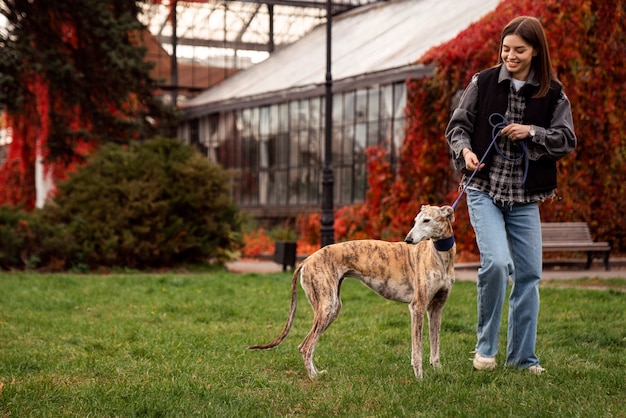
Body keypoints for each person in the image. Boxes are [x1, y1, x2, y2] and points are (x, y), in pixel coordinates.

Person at [445, 16, 577, 374]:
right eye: (506, 49)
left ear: (535, 51)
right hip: (483, 189)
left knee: (530, 274)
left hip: (524, 197)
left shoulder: (553, 93)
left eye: (519, 50)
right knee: (498, 264)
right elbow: (458, 127)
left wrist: (532, 132)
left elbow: (567, 139)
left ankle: (522, 358)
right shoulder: (483, 82)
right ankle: (485, 349)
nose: (510, 56)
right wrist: (465, 153)